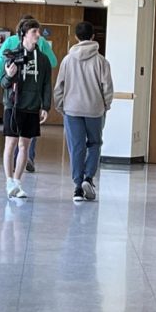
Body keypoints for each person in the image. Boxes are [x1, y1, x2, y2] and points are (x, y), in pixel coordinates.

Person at [53, 21, 113, 202]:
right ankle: (88, 177)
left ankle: (78, 187)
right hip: (95, 110)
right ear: (93, 37)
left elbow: (59, 87)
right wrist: (106, 105)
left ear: (76, 37)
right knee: (94, 144)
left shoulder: (67, 60)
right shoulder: (102, 61)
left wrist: (60, 106)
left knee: (76, 147)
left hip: (72, 110)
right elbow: (107, 87)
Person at [0, 15, 57, 172]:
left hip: (19, 99)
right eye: (34, 30)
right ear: (25, 32)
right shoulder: (41, 44)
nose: (37, 34)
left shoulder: (10, 42)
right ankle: (28, 158)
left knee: (14, 140)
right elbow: (53, 61)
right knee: (25, 141)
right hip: (26, 99)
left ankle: (17, 164)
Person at [0, 19, 52, 198]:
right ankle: (8, 181)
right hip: (13, 106)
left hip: (32, 107)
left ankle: (17, 181)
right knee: (11, 143)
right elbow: (3, 83)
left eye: (38, 31)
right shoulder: (12, 55)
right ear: (24, 35)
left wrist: (45, 106)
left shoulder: (43, 60)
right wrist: (9, 75)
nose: (38, 35)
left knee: (25, 146)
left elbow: (46, 84)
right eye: (34, 32)